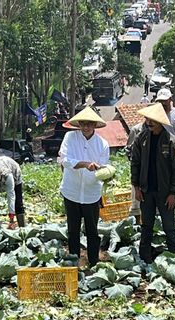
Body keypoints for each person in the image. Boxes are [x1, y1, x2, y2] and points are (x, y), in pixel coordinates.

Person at [131, 103, 175, 264]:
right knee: (146, 226)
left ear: (160, 121)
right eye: (147, 119)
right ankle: (144, 258)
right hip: (146, 190)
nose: (149, 122)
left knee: (169, 225)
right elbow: (135, 163)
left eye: (152, 120)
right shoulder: (141, 138)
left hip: (165, 192)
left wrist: (173, 193)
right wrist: (136, 187)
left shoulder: (172, 141)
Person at [58, 107, 109, 267]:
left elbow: (104, 167)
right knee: (73, 229)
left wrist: (103, 171)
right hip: (71, 191)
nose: (86, 127)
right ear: (79, 124)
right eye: (83, 124)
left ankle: (93, 262)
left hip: (91, 193)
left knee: (92, 230)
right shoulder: (70, 137)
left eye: (89, 124)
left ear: (94, 125)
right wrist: (85, 164)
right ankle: (74, 260)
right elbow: (65, 160)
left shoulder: (102, 144)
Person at [126, 121, 146, 222]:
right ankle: (137, 225)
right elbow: (129, 151)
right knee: (136, 203)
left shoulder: (162, 129)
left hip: (156, 174)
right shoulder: (136, 130)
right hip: (139, 171)